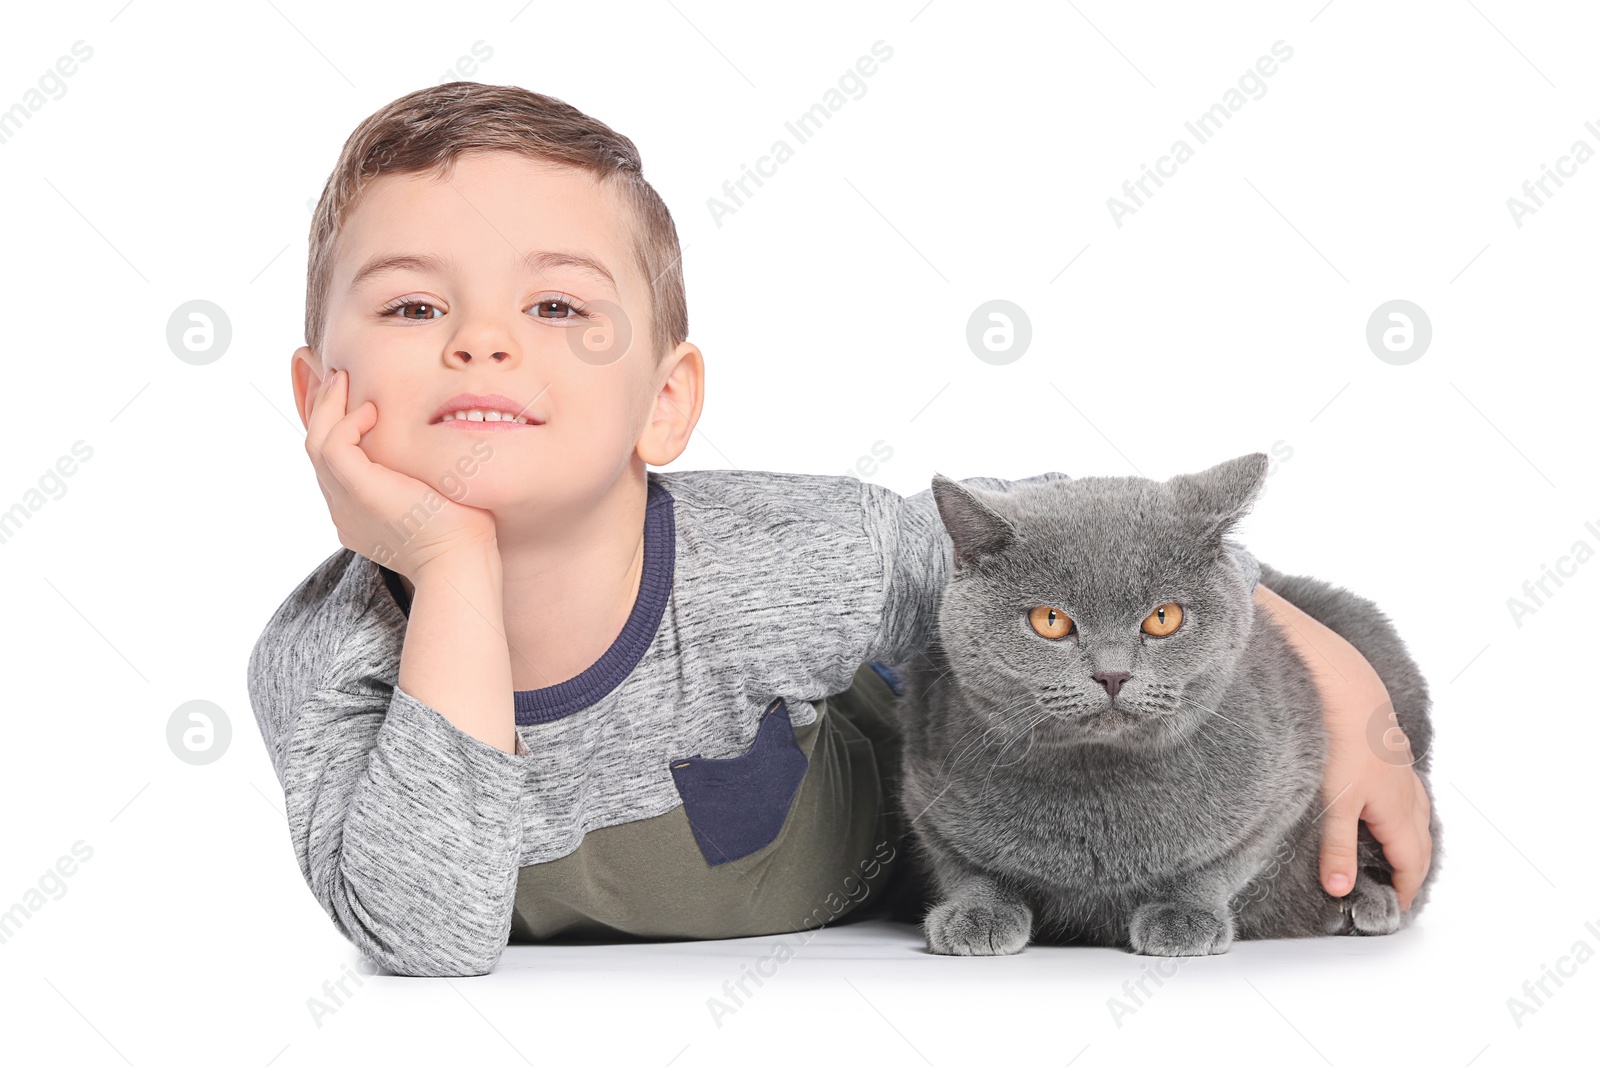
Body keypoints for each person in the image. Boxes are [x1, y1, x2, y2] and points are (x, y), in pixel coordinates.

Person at [247, 82, 1432, 976]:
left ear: (666, 401)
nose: (481, 341)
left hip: (934, 816)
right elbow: (425, 935)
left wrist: (1331, 667)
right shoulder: (320, 657)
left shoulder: (790, 557)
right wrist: (449, 569)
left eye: (555, 303)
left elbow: (1066, 536)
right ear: (318, 401)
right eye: (413, 303)